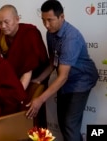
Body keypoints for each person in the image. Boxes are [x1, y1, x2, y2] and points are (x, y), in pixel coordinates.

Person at [26, 1, 98, 141]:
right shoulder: (50, 32)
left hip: (81, 80)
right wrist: (39, 79)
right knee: (63, 122)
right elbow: (54, 60)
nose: (46, 25)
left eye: (50, 20)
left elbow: (63, 76)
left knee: (70, 125)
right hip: (66, 80)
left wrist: (40, 99)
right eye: (43, 20)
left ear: (62, 17)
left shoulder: (71, 38)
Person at [0, 4, 49, 127]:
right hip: (12, 79)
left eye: (6, 22)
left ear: (17, 19)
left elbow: (27, 70)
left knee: (29, 116)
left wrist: (15, 95)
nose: (3, 26)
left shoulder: (29, 33)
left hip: (34, 80)